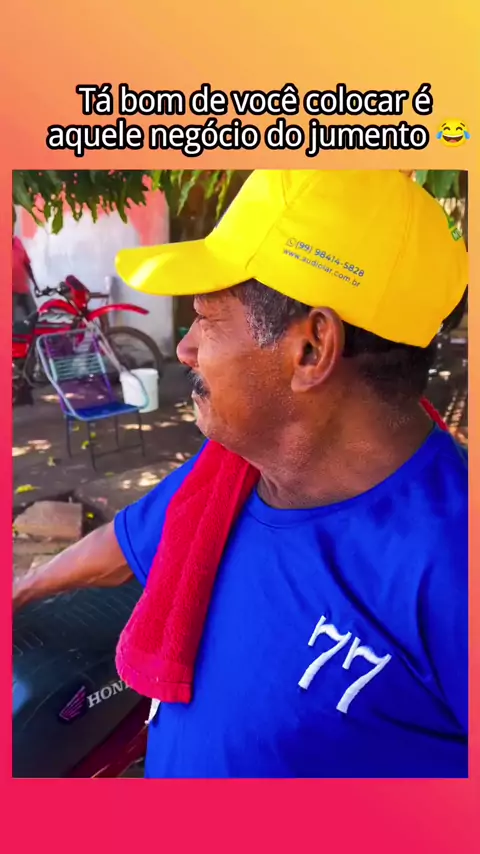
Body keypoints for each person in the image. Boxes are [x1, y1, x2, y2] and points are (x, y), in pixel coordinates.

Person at [13, 170, 468, 779]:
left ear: (311, 349)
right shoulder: (236, 475)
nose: (185, 349)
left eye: (206, 318)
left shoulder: (452, 564)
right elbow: (125, 542)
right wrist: (22, 590)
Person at [12, 235, 37, 324]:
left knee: (34, 315)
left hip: (23, 288)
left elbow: (26, 263)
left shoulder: (17, 241)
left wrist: (35, 284)